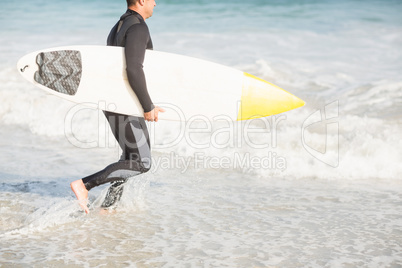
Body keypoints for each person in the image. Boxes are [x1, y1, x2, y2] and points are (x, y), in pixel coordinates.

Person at [70, 0, 164, 213]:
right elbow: (133, 68)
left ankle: (108, 206)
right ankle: (84, 185)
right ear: (141, 1)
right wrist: (148, 106)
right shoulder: (138, 27)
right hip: (123, 103)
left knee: (131, 158)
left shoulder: (119, 27)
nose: (155, 3)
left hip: (117, 100)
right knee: (142, 162)